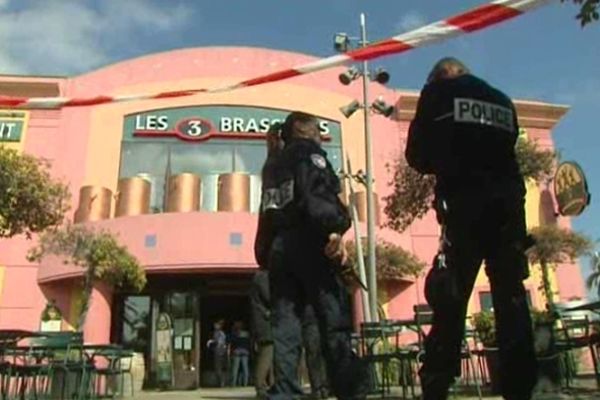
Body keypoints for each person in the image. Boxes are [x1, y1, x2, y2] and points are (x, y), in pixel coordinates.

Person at [405, 57, 537, 400]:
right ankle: (520, 385)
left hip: (464, 204)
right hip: (509, 206)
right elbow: (509, 149)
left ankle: (437, 381)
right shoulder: (501, 99)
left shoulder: (436, 93)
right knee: (510, 294)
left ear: (438, 77)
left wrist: (445, 160)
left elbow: (416, 155)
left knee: (452, 295)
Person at [256, 111, 368, 400]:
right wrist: (334, 229)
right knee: (332, 318)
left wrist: (265, 252)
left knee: (285, 324)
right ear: (303, 129)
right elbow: (315, 193)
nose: (321, 134)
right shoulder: (308, 153)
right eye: (318, 128)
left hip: (279, 250)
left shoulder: (272, 165)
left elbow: (266, 210)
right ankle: (347, 388)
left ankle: (285, 391)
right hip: (310, 241)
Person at [207, 319, 228, 387]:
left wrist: (211, 341)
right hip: (218, 351)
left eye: (216, 325)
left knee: (218, 367)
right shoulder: (216, 333)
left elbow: (220, 342)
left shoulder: (220, 333)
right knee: (217, 367)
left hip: (220, 351)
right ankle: (220, 382)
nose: (215, 326)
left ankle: (221, 382)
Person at [230, 321, 252, 386]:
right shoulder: (247, 334)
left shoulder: (235, 334)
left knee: (235, 369)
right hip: (245, 351)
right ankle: (245, 383)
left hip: (237, 351)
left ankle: (233, 383)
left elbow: (232, 342)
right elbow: (249, 343)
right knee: (245, 368)